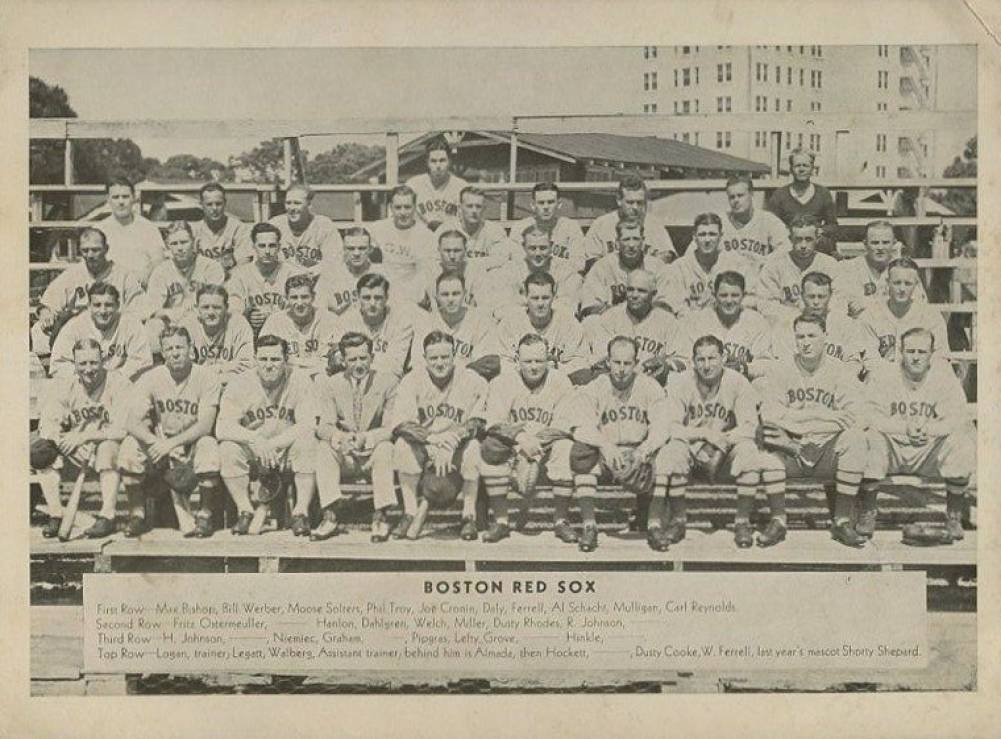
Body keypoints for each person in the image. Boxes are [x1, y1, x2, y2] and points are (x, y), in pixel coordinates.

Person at [647, 335, 782, 548]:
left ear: (724, 358)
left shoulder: (737, 381)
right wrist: (702, 435)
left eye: (712, 358)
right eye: (701, 360)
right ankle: (678, 520)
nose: (707, 365)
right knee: (671, 453)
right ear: (693, 361)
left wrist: (720, 440)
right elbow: (671, 427)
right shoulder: (681, 382)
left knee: (749, 453)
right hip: (692, 444)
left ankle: (742, 522)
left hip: (726, 448)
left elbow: (749, 426)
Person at [755, 313, 869, 547]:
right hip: (791, 448)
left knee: (856, 439)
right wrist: (823, 415)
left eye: (812, 336)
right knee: (767, 445)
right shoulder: (780, 369)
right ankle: (778, 521)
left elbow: (857, 416)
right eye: (800, 337)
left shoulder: (840, 371)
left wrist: (797, 420)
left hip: (827, 449)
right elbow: (770, 414)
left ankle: (842, 521)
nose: (806, 342)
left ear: (825, 337)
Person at [547, 336, 666, 552]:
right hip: (606, 454)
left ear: (636, 363)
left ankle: (654, 525)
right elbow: (581, 427)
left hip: (638, 452)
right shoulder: (596, 387)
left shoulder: (650, 386)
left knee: (666, 457)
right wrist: (605, 446)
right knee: (582, 456)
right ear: (608, 362)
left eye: (627, 363)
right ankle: (590, 526)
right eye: (616, 362)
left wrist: (645, 450)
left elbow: (662, 426)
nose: (621, 369)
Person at [858, 327, 975, 541]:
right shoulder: (884, 375)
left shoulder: (944, 378)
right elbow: (867, 415)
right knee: (868, 439)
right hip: (892, 448)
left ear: (931, 354)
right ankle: (868, 512)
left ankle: (954, 516)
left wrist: (928, 429)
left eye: (922, 352)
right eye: (910, 351)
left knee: (962, 441)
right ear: (900, 352)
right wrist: (904, 428)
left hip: (928, 450)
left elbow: (957, 418)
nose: (915, 357)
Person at [117, 326, 222, 538]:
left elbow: (205, 425)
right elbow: (130, 421)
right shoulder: (151, 377)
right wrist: (155, 442)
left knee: (209, 447)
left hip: (193, 442)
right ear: (163, 353)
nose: (175, 353)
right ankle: (137, 515)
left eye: (180, 347)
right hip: (161, 442)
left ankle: (205, 514)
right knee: (129, 447)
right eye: (169, 348)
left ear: (190, 348)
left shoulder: (206, 376)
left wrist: (170, 446)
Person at [389, 331, 488, 541]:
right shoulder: (412, 380)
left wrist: (454, 438)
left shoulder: (472, 380)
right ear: (424, 359)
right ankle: (410, 512)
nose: (440, 363)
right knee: (401, 446)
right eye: (434, 358)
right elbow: (400, 424)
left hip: (457, 445)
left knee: (473, 449)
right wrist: (433, 439)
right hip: (425, 443)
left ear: (455, 357)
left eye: (445, 357)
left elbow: (479, 422)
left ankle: (468, 515)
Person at [216, 335, 318, 536]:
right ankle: (245, 510)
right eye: (263, 360)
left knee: (308, 443)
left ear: (286, 360)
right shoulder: (240, 383)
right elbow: (222, 427)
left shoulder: (300, 380)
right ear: (255, 360)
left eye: (275, 360)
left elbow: (308, 424)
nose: (268, 366)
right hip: (255, 450)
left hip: (287, 449)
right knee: (228, 448)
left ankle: (300, 513)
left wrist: (273, 444)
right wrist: (255, 440)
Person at [478, 334, 575, 542]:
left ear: (548, 360)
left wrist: (536, 442)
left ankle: (561, 520)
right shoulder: (502, 382)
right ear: (516, 360)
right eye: (528, 361)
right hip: (514, 446)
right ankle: (502, 522)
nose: (533, 367)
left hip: (547, 446)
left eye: (539, 361)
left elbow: (565, 424)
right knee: (490, 448)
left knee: (566, 448)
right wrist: (522, 440)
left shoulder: (560, 381)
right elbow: (494, 422)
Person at [35, 339, 131, 539]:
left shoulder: (119, 382)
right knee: (41, 452)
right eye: (83, 364)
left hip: (107, 448)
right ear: (75, 365)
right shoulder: (65, 386)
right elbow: (48, 424)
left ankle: (107, 516)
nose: (89, 369)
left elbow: (124, 429)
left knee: (108, 449)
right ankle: (56, 513)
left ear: (103, 360)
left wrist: (86, 436)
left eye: (94, 363)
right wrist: (62, 442)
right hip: (75, 451)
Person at [312, 332, 399, 542]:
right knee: (324, 448)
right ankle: (330, 516)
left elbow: (393, 426)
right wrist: (339, 437)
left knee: (386, 448)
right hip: (347, 454)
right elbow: (324, 426)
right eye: (352, 359)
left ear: (372, 357)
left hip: (374, 454)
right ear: (343, 360)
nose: (358, 364)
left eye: (363, 358)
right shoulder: (330, 384)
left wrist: (368, 437)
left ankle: (380, 517)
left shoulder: (388, 382)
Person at [33, 227, 143, 354]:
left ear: (106, 249)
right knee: (38, 330)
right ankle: (52, 369)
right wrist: (46, 312)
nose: (90, 255)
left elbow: (138, 309)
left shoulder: (123, 275)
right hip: (79, 331)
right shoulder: (73, 274)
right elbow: (48, 302)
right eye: (85, 250)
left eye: (95, 250)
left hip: (112, 329)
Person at [583, 269, 684, 386]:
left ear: (653, 294)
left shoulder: (668, 322)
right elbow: (600, 361)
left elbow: (683, 360)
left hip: (653, 385)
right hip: (615, 385)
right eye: (630, 290)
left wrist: (666, 365)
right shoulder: (609, 318)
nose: (634, 295)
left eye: (641, 291)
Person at [771, 272, 878, 379]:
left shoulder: (845, 324)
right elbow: (783, 365)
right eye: (811, 296)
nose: (816, 302)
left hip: (836, 383)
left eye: (821, 297)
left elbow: (854, 363)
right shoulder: (787, 324)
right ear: (802, 295)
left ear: (830, 296)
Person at [676, 271, 774, 381]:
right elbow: (685, 360)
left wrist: (745, 368)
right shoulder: (698, 321)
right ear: (714, 296)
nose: (729, 301)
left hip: (741, 385)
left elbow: (767, 365)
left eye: (735, 295)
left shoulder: (756, 322)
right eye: (723, 295)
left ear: (744, 296)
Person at [145, 221, 226, 353]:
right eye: (174, 244)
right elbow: (152, 309)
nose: (179, 248)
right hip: (171, 323)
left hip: (203, 321)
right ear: (167, 247)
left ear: (194, 242)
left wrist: (187, 315)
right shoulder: (160, 271)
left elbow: (215, 303)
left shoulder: (211, 267)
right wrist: (175, 314)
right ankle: (158, 367)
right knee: (152, 326)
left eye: (184, 242)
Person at [660, 212, 758, 317]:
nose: (707, 240)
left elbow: (753, 298)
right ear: (694, 237)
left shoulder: (737, 263)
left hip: (727, 323)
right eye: (702, 234)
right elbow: (673, 304)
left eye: (712, 234)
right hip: (690, 324)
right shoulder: (679, 268)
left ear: (721, 236)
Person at [49, 283, 153, 381]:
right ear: (89, 306)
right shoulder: (74, 327)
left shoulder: (130, 324)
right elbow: (58, 365)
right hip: (84, 386)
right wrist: (87, 379)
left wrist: (114, 379)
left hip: (122, 385)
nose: (103, 311)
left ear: (117, 305)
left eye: (108, 305)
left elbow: (143, 362)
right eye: (97, 305)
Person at [495, 272, 589, 377]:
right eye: (535, 298)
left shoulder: (569, 324)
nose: (540, 304)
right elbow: (502, 364)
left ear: (553, 296)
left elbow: (581, 364)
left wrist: (550, 370)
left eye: (545, 298)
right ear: (526, 297)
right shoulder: (509, 324)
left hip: (557, 384)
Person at [857, 257, 948, 364]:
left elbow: (940, 359)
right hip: (882, 377)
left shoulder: (931, 317)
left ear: (916, 284)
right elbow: (869, 361)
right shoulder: (871, 315)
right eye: (897, 283)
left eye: (908, 283)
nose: (902, 289)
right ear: (887, 283)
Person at [411, 273, 500, 376]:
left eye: (456, 294)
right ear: (436, 297)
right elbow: (418, 363)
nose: (450, 299)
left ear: (465, 294)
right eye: (445, 294)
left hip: (469, 381)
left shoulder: (480, 320)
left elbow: (488, 363)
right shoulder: (426, 322)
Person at [757, 214, 841, 324]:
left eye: (809, 239)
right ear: (790, 239)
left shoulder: (830, 265)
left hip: (823, 324)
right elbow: (765, 305)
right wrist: (800, 316)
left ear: (817, 239)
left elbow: (840, 301)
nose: (803, 245)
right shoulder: (774, 266)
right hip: (785, 324)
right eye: (798, 239)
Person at [483, 225, 583, 316]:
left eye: (543, 248)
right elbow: (500, 310)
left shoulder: (565, 270)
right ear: (523, 247)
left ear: (551, 246)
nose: (538, 253)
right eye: (532, 248)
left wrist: (523, 302)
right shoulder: (511, 269)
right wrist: (546, 303)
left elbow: (569, 308)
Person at [833, 220, 927, 317]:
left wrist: (867, 303)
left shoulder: (905, 269)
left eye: (885, 243)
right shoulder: (849, 268)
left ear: (894, 243)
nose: (880, 247)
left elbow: (919, 302)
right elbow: (842, 303)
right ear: (865, 244)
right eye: (875, 243)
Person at [578, 219, 670, 317]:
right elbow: (591, 306)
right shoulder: (602, 266)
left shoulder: (657, 267)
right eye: (626, 239)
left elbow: (666, 304)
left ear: (643, 241)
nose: (631, 245)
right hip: (611, 323)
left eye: (636, 239)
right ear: (617, 242)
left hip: (648, 323)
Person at [333, 274, 416, 380]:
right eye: (366, 298)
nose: (372, 303)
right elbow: (337, 360)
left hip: (384, 382)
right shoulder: (345, 321)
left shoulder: (401, 323)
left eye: (378, 298)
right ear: (358, 298)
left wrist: (356, 363)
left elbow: (395, 368)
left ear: (386, 298)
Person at [226, 222, 304, 336]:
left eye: (272, 246)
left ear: (279, 247)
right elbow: (233, 312)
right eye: (262, 246)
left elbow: (303, 310)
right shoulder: (239, 276)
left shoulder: (293, 273)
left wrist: (275, 317)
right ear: (253, 247)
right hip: (252, 336)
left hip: (287, 334)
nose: (267, 251)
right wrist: (248, 315)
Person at [583, 176, 676, 268]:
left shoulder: (654, 225)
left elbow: (667, 256)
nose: (635, 207)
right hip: (610, 279)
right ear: (619, 200)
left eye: (640, 203)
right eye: (630, 202)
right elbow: (592, 260)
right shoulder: (601, 224)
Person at [261, 273, 339, 380]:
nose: (300, 303)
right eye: (294, 297)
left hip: (321, 378)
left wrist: (292, 362)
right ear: (286, 298)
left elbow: (337, 360)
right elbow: (264, 358)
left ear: (313, 297)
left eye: (304, 297)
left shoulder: (330, 320)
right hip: (286, 379)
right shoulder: (275, 321)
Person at [766, 148, 839, 256]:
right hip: (789, 246)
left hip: (816, 246)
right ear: (791, 169)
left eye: (805, 166)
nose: (801, 169)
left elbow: (833, 226)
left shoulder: (823, 193)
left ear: (812, 168)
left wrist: (819, 230)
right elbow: (770, 225)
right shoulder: (779, 195)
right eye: (797, 166)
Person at [367, 185, 436, 299]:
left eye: (407, 207)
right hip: (382, 292)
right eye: (398, 207)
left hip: (413, 293)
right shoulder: (377, 229)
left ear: (414, 207)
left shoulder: (426, 235)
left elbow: (425, 274)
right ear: (391, 208)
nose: (403, 212)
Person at [179, 284, 255, 388]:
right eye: (205, 307)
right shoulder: (187, 325)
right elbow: (182, 370)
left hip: (231, 385)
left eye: (217, 307)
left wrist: (208, 373)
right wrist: (225, 367)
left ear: (227, 307)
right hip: (197, 388)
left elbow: (247, 366)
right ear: (197, 309)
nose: (211, 312)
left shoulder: (238, 323)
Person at [96, 176, 166, 287]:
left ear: (133, 198)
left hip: (141, 288)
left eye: (125, 197)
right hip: (108, 291)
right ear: (108, 199)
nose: (121, 202)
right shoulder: (99, 229)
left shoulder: (149, 228)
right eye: (115, 197)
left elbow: (158, 261)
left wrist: (143, 277)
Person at [719, 175, 791, 281]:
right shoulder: (720, 221)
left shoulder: (768, 220)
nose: (736, 200)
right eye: (732, 197)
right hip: (727, 284)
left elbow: (787, 248)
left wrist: (766, 260)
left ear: (751, 194)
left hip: (759, 281)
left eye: (740, 195)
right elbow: (694, 251)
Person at [434, 186, 519, 271]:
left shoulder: (494, 230)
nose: (474, 211)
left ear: (484, 209)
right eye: (469, 206)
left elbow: (500, 260)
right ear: (460, 208)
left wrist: (461, 264)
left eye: (478, 206)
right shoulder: (445, 229)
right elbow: (435, 260)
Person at [269, 184, 343, 279]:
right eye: (288, 203)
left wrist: (309, 273)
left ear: (309, 205)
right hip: (282, 280)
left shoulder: (324, 225)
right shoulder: (274, 225)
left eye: (297, 203)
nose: (292, 208)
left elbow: (334, 260)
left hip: (317, 281)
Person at [314, 226, 394, 314]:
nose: (356, 253)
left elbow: (394, 308)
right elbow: (317, 309)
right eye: (351, 248)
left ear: (370, 249)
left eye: (362, 248)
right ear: (343, 250)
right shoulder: (330, 275)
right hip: (340, 325)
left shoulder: (383, 274)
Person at [510, 182, 586, 274]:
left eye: (550, 202)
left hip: (560, 279)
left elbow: (579, 264)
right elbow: (517, 262)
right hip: (529, 278)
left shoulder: (570, 227)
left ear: (559, 204)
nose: (546, 207)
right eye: (541, 203)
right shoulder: (520, 227)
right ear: (533, 205)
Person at [416, 228, 490, 311]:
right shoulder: (429, 270)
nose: (452, 256)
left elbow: (484, 306)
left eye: (457, 251)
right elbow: (418, 304)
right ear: (439, 250)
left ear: (465, 250)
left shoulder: (475, 270)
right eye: (447, 251)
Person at [406, 138, 469, 230]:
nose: (438, 166)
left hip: (451, 238)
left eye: (442, 160)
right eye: (433, 161)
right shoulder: (413, 185)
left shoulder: (462, 186)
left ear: (449, 162)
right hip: (421, 237)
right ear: (427, 162)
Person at [191, 182, 253, 276]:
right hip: (202, 282)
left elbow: (243, 265)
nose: (214, 208)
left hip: (232, 281)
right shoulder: (194, 230)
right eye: (209, 204)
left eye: (218, 204)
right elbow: (189, 266)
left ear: (225, 203)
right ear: (201, 205)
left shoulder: (238, 228)